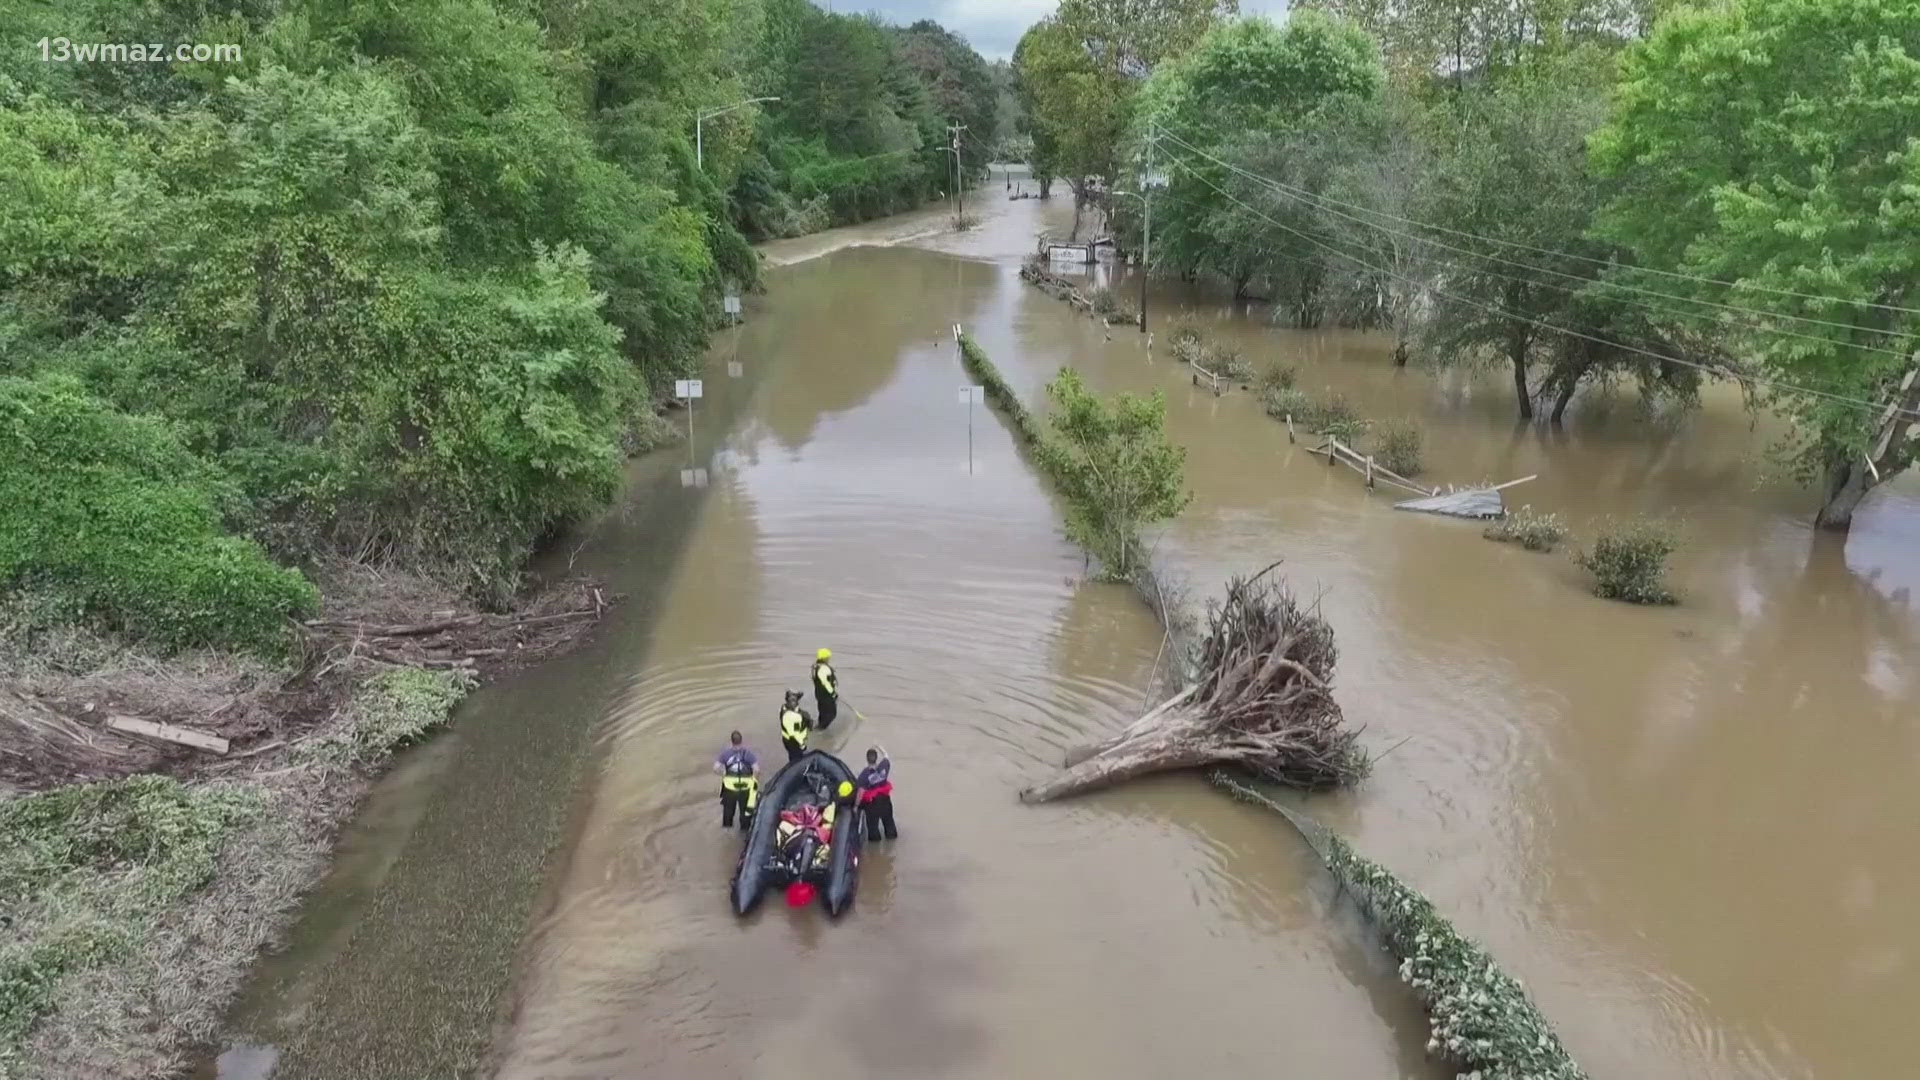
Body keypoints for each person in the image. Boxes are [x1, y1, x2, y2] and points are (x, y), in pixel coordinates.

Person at [713, 730, 759, 829]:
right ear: (741, 741)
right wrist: (753, 779)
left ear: (732, 741)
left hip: (730, 789)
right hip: (745, 789)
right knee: (745, 813)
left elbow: (715, 768)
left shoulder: (725, 754)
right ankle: (744, 831)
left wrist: (724, 773)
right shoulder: (748, 754)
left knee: (728, 813)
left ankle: (727, 831)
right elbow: (756, 770)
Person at [857, 745, 897, 842]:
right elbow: (886, 755)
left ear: (867, 759)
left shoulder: (864, 775)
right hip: (885, 801)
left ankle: (875, 847)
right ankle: (891, 837)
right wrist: (879, 747)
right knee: (889, 822)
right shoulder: (883, 767)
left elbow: (860, 792)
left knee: (873, 828)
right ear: (876, 758)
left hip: (872, 805)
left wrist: (856, 806)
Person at [778, 690, 812, 762]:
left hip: (786, 739)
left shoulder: (784, 708)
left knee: (792, 755)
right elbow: (795, 734)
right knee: (797, 758)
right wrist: (802, 745)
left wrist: (797, 696)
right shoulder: (794, 717)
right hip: (793, 742)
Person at [811, 648, 839, 729]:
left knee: (823, 711)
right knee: (832, 714)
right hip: (826, 694)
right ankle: (821, 729)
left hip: (819, 693)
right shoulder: (824, 668)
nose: (829, 658)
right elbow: (825, 683)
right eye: (828, 657)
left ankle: (820, 725)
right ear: (824, 658)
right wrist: (833, 693)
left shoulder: (816, 666)